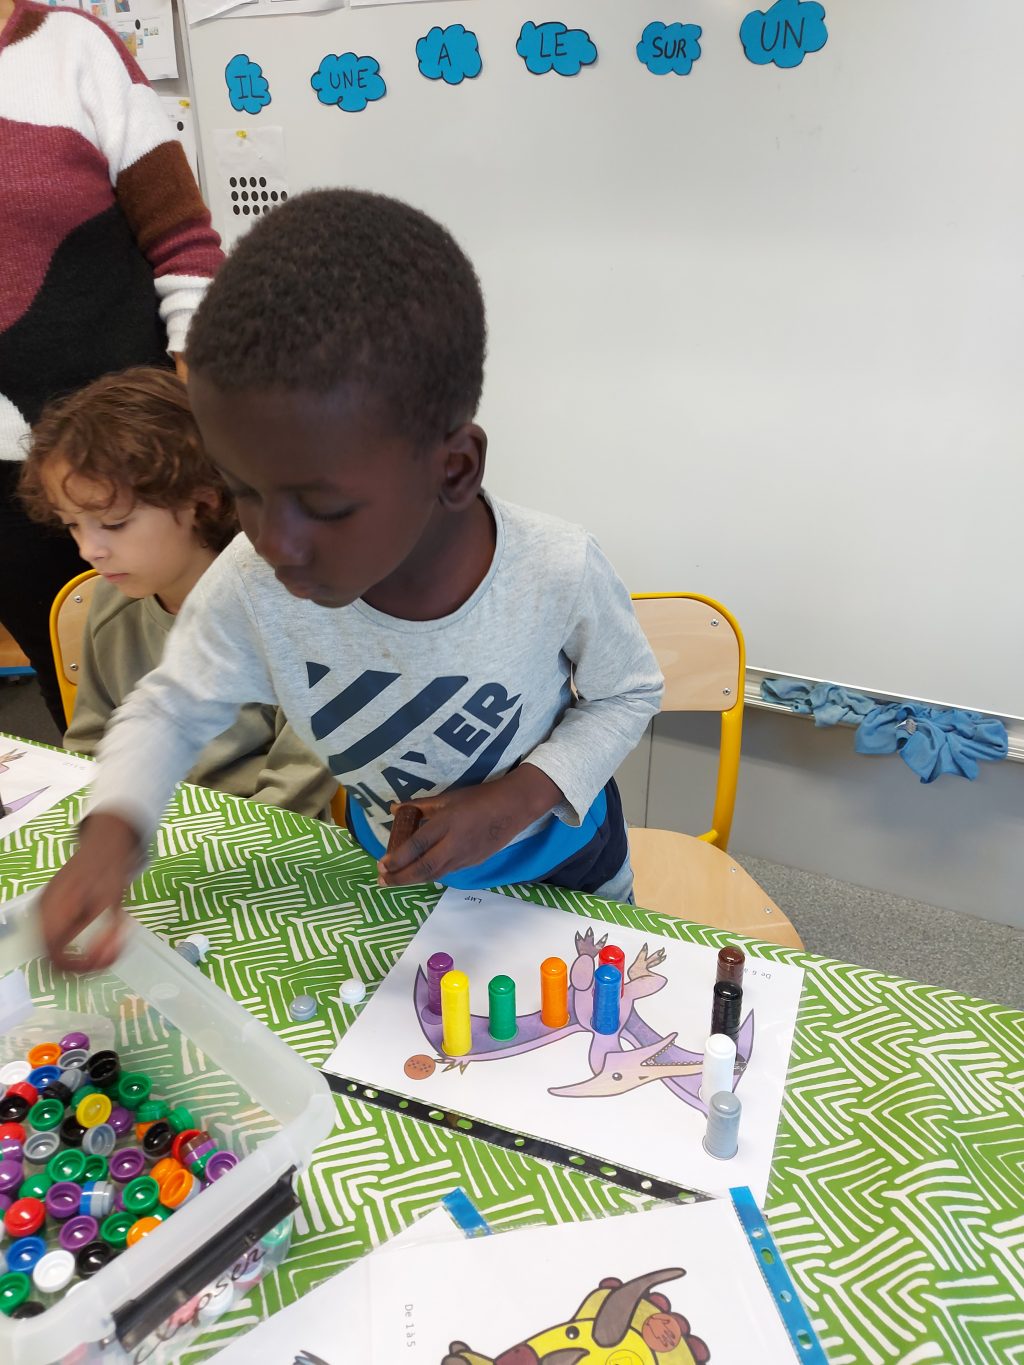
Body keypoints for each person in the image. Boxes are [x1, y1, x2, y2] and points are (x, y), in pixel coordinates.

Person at [38, 189, 664, 971]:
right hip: (397, 882)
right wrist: (111, 831)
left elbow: (627, 693)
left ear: (454, 468)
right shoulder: (249, 582)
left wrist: (517, 798)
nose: (274, 543)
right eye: (244, 490)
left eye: (324, 506)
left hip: (567, 874)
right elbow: (171, 706)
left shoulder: (556, 568)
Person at [0, 0, 223, 726]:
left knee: (229, 673)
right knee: (82, 695)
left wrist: (192, 425)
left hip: (139, 453)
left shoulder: (73, 46)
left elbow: (185, 244)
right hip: (10, 493)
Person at [18, 367, 336, 819]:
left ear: (203, 502)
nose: (89, 549)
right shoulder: (109, 604)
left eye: (114, 523)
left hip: (264, 837)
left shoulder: (293, 608)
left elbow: (297, 787)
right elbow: (90, 751)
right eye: (73, 524)